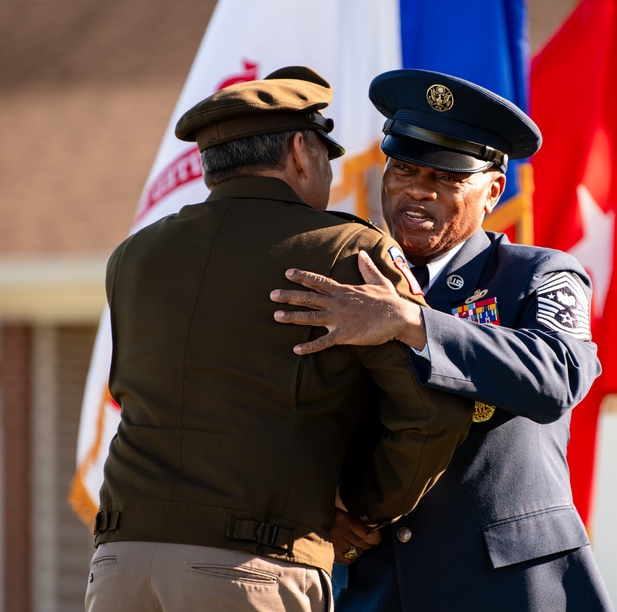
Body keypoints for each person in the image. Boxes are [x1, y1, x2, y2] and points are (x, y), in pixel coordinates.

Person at [85, 66, 472, 612]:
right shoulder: (347, 250)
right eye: (325, 153)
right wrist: (362, 509)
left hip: (120, 564)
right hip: (251, 566)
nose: (331, 171)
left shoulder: (135, 255)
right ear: (298, 151)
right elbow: (431, 409)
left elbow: (140, 398)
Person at [270, 68, 614, 611]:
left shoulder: (539, 273)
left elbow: (558, 375)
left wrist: (412, 323)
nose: (418, 192)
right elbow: (292, 413)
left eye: (447, 179)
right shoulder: (344, 280)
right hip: (380, 585)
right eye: (404, 168)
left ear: (493, 192)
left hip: (511, 585)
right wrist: (323, 506)